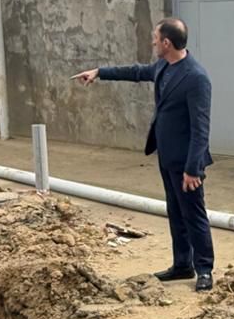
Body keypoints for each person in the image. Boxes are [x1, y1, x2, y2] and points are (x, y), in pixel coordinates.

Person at [74, 18, 215, 291]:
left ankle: (204, 269)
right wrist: (100, 72)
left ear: (166, 43)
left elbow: (201, 128)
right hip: (167, 156)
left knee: (194, 215)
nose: (152, 42)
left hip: (186, 163)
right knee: (175, 212)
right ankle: (182, 265)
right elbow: (137, 71)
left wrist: (193, 169)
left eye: (155, 38)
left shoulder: (196, 78)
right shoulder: (164, 65)